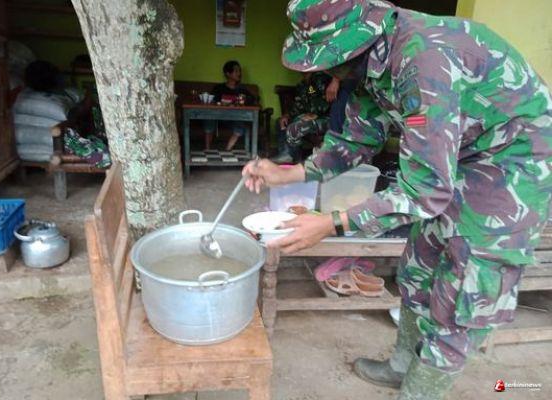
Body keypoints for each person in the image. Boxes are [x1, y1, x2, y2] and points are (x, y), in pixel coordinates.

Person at [242, 1, 552, 399]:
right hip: (458, 153)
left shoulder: (425, 63)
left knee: (462, 297)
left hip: (513, 161)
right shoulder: (369, 61)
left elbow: (425, 191)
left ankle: (418, 392)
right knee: (418, 266)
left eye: (330, 61)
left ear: (357, 42)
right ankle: (403, 366)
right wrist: (290, 172)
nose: (326, 71)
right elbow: (356, 139)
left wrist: (333, 222)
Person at [272, 72, 331, 163]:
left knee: (297, 125)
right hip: (309, 116)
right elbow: (298, 105)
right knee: (281, 121)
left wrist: (316, 115)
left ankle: (294, 158)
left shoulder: (321, 79)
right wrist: (287, 115)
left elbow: (330, 101)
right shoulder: (302, 85)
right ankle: (285, 153)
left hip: (325, 118)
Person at [204, 60, 256, 151]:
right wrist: (222, 103)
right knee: (208, 118)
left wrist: (244, 101)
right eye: (236, 71)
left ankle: (227, 150)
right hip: (218, 116)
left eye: (239, 71)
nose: (239, 73)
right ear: (228, 73)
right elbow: (212, 100)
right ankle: (207, 149)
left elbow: (253, 99)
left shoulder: (242, 89)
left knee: (240, 125)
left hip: (235, 117)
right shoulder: (219, 88)